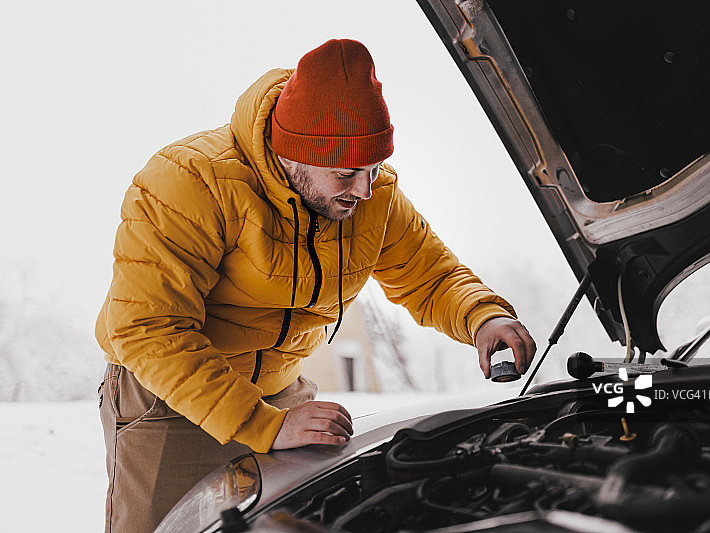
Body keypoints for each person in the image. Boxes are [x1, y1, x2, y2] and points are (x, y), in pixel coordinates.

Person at [95, 38, 536, 532]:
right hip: (173, 400)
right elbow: (147, 328)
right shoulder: (190, 181)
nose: (364, 189)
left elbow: (429, 275)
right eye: (347, 173)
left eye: (372, 169)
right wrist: (263, 425)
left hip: (281, 394)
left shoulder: (371, 197)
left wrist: (482, 315)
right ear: (295, 156)